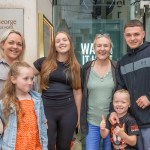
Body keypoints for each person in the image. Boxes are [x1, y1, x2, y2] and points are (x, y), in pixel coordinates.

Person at [33, 31, 82, 150]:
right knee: (47, 145)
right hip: (47, 110)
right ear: (54, 45)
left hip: (68, 111)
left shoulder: (75, 66)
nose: (61, 43)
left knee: (64, 146)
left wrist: (79, 117)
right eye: (58, 41)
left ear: (70, 43)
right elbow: (24, 76)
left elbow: (77, 92)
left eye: (64, 40)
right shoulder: (43, 62)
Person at [109, 19, 150, 150]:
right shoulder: (122, 62)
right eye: (128, 35)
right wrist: (113, 111)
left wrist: (149, 97)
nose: (132, 38)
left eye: (136, 34)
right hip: (131, 125)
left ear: (143, 34)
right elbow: (120, 89)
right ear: (124, 36)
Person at [0, 61, 48, 150]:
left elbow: (42, 124)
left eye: (32, 78)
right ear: (13, 79)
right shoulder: (5, 102)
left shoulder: (37, 99)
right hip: (15, 146)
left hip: (36, 146)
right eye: (26, 78)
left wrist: (44, 146)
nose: (30, 82)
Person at [81, 34, 117, 150]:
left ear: (110, 48)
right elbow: (80, 93)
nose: (102, 49)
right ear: (94, 48)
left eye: (106, 46)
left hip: (112, 122)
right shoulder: (86, 69)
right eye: (99, 46)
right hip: (91, 123)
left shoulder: (117, 67)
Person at [0, 29, 25, 93]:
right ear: (2, 44)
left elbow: (33, 95)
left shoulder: (26, 69)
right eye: (11, 43)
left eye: (19, 44)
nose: (15, 46)